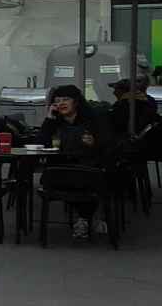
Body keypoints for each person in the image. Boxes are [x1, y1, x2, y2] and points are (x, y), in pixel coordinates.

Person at [36, 84, 112, 241]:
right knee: (62, 178)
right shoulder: (56, 122)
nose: (61, 103)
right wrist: (49, 118)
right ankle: (86, 218)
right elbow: (40, 143)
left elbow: (108, 146)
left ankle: (84, 219)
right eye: (57, 101)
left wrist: (94, 143)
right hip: (61, 167)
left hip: (88, 168)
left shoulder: (92, 120)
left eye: (66, 99)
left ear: (76, 102)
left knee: (82, 179)